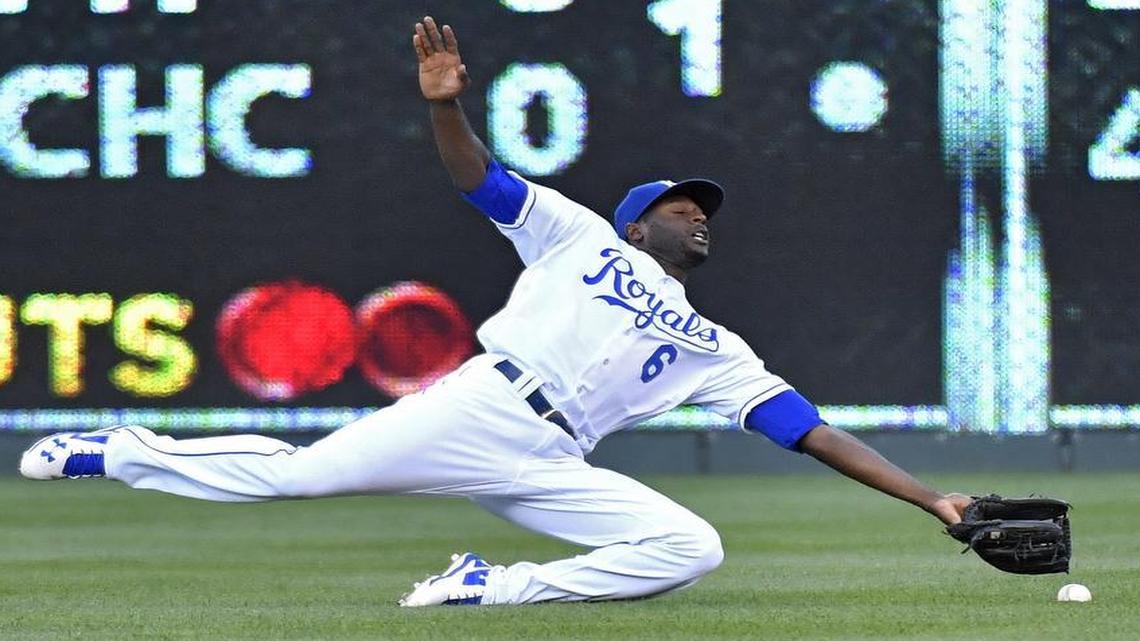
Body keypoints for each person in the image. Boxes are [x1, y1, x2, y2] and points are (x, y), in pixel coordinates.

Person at [18, 17, 970, 607]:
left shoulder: (716, 348)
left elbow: (807, 430)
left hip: (552, 459)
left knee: (691, 546)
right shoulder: (581, 234)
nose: (698, 218)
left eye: (705, 212)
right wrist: (444, 108)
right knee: (293, 479)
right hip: (482, 406)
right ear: (638, 224)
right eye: (681, 207)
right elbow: (481, 179)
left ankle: (493, 585)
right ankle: (123, 448)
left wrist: (933, 498)